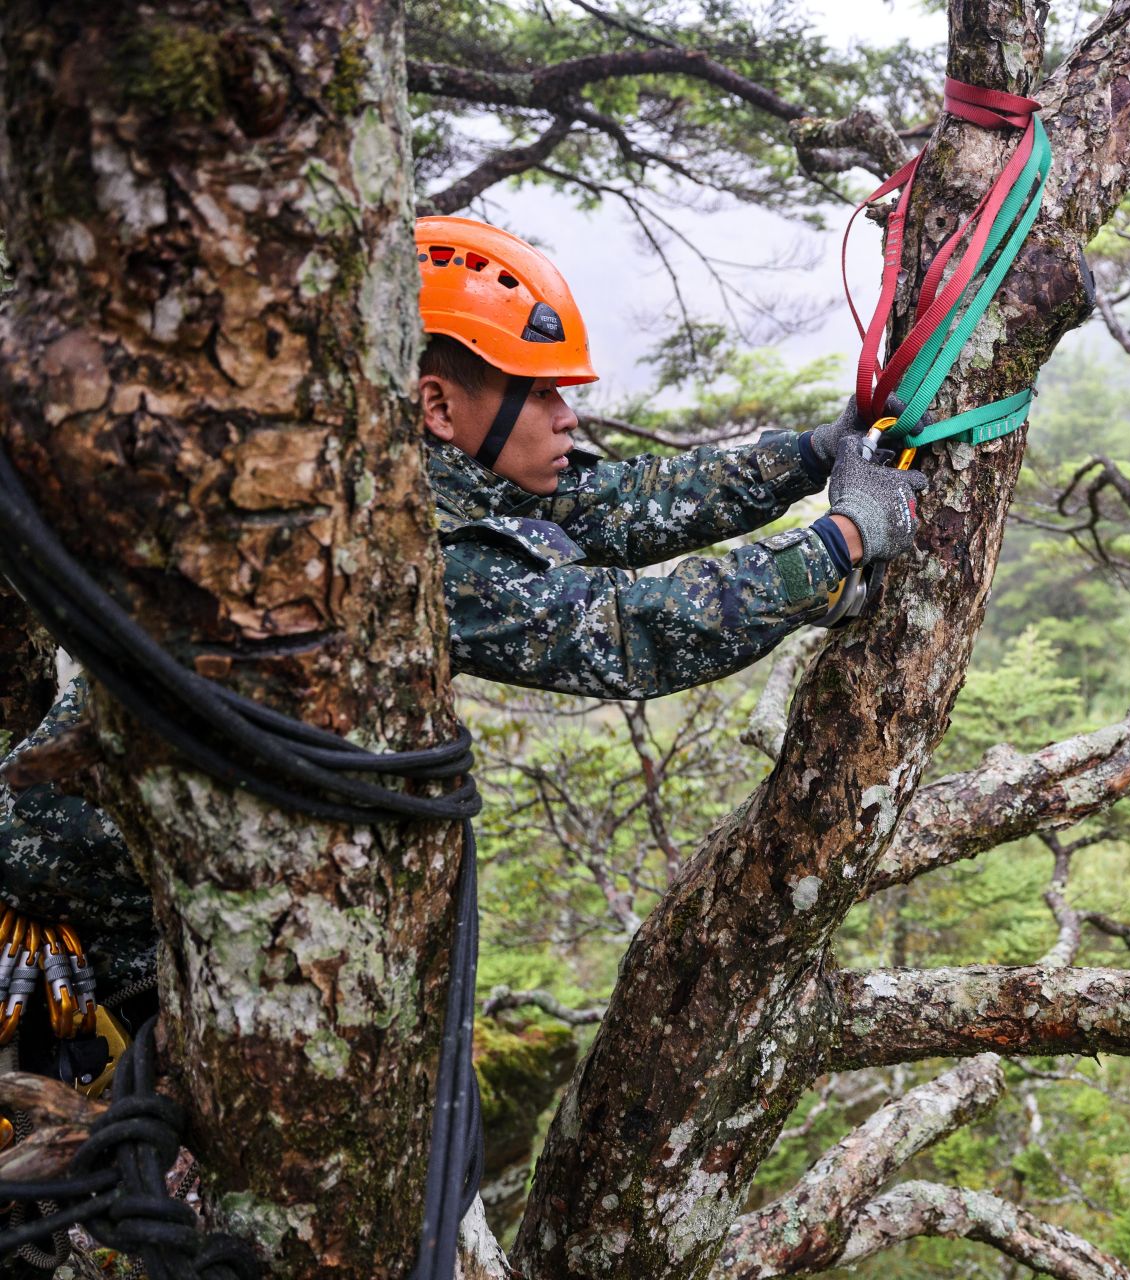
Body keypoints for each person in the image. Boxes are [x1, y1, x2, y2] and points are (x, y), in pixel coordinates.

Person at [0, 216, 925, 1105]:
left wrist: (808, 457)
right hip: (64, 926)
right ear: (438, 405)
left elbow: (618, 502)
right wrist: (842, 542)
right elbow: (625, 632)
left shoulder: (397, 466)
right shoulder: (388, 545)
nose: (568, 419)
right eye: (546, 394)